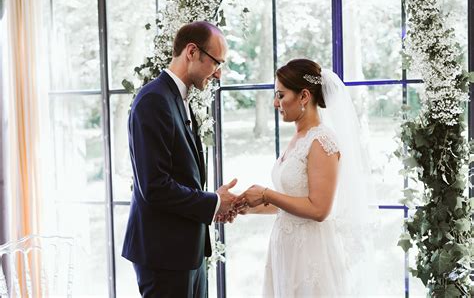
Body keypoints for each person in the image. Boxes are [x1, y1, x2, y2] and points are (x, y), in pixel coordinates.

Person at [234, 59, 376, 297]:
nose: (275, 102)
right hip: (285, 251)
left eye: (281, 95)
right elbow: (291, 201)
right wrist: (248, 207)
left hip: (310, 253)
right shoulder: (298, 137)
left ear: (304, 96)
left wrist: (266, 194)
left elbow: (319, 209)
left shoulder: (321, 141)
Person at [122, 21, 237, 298]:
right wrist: (214, 202)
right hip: (164, 256)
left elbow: (182, 176)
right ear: (192, 51)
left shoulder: (178, 98)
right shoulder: (153, 100)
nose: (218, 73)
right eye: (216, 62)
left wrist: (213, 204)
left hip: (187, 251)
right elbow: (155, 186)